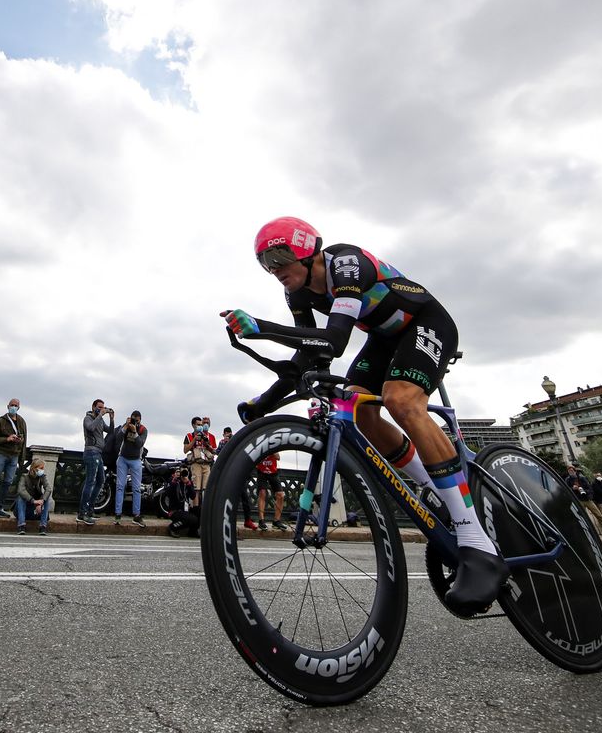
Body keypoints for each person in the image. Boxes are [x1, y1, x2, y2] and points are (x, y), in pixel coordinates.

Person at [223, 216, 508, 615]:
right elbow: (309, 354)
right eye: (265, 262)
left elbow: (336, 342)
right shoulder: (298, 293)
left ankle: (475, 539)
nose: (275, 269)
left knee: (401, 401)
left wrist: (262, 328)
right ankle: (437, 492)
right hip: (385, 338)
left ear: (309, 251)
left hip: (425, 322)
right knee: (356, 409)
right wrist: (265, 401)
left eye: (281, 257)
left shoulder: (346, 265)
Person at [0, 398, 27, 521]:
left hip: (14, 455)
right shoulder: (1, 421)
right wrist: (7, 439)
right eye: (12, 405)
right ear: (8, 406)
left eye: (16, 405)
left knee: (8, 482)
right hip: (1, 454)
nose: (13, 407)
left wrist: (20, 442)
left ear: (19, 407)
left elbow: (24, 440)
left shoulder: (22, 421)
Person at [79, 399, 115, 524]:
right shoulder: (87, 418)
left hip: (99, 453)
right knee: (90, 482)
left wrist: (111, 419)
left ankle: (90, 509)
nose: (101, 409)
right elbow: (90, 427)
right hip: (91, 452)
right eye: (99, 407)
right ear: (93, 407)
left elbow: (110, 431)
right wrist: (100, 415)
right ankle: (82, 513)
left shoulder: (100, 419)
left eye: (103, 407)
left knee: (101, 481)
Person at [114, 410, 148, 526]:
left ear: (140, 420)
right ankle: (118, 514)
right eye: (133, 420)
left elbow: (140, 444)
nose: (135, 422)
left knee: (136, 488)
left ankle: (136, 515)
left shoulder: (143, 430)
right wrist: (125, 426)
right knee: (120, 486)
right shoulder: (127, 427)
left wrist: (135, 432)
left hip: (136, 460)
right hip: (123, 458)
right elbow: (118, 437)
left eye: (137, 420)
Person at [564, 464, 602, 536]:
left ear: (575, 471)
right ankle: (585, 533)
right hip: (578, 500)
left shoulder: (582, 478)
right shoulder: (568, 479)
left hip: (587, 499)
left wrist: (584, 491)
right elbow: (566, 489)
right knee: (581, 517)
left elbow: (589, 488)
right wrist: (572, 489)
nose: (570, 472)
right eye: (569, 471)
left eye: (572, 470)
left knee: (598, 515)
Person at [184, 416, 216, 508]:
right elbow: (185, 450)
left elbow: (214, 451)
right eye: (198, 425)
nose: (200, 426)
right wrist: (195, 439)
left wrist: (207, 443)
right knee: (196, 489)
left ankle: (205, 511)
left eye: (201, 424)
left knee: (206, 489)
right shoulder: (189, 436)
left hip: (206, 464)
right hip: (196, 463)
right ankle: (196, 510)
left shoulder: (208, 436)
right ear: (193, 425)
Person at [15, 457, 52, 536]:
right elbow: (21, 490)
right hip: (25, 507)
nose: (42, 470)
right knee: (21, 497)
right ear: (34, 468)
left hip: (37, 509)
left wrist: (41, 501)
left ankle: (43, 526)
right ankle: (21, 525)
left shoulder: (42, 477)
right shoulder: (24, 477)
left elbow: (48, 489)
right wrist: (33, 501)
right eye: (41, 468)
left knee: (46, 497)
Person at [255, 451, 287, 531]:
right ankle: (261, 520)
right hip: (261, 472)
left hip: (273, 472)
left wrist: (270, 451)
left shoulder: (272, 443)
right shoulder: (260, 445)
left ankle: (276, 521)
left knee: (281, 495)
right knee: (262, 493)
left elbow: (278, 457)